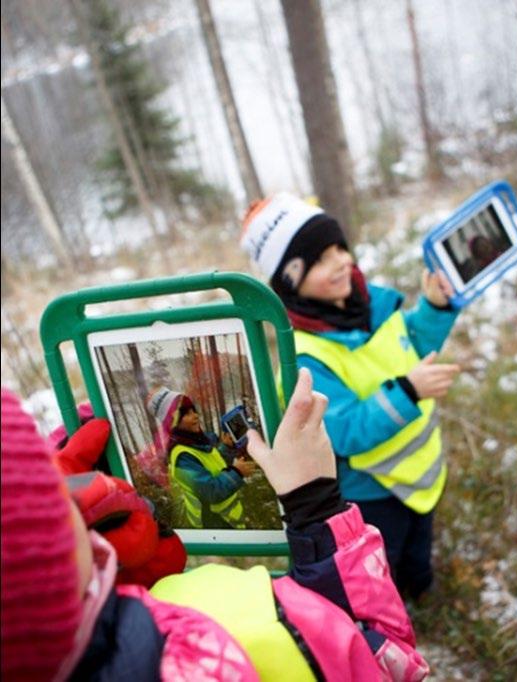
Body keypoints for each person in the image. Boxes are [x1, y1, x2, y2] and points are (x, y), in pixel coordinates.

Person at [1, 371, 429, 681]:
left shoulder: (53, 634)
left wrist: (111, 565)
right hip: (220, 518)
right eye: (52, 491)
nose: (194, 419)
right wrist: (313, 502)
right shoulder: (243, 642)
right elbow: (383, 659)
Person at [241, 193, 461, 599]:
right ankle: (393, 610)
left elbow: (412, 342)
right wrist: (409, 390)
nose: (342, 260)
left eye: (340, 247)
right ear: (291, 280)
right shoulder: (307, 358)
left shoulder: (373, 306)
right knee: (384, 563)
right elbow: (345, 431)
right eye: (321, 259)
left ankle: (423, 588)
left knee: (419, 547)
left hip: (421, 472)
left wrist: (433, 308)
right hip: (374, 491)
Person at [147, 387, 255, 529]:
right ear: (173, 422)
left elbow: (211, 463)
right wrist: (237, 473)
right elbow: (210, 491)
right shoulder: (182, 457)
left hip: (228, 518)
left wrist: (226, 447)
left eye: (193, 410)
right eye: (186, 414)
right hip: (214, 523)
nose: (195, 416)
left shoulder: (197, 441)